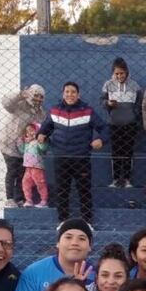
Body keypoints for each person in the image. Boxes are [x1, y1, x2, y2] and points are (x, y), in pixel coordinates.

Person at [38, 81, 108, 223]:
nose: (70, 94)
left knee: (84, 191)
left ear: (78, 94)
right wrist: (40, 134)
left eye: (73, 92)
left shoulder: (87, 111)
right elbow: (45, 128)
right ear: (63, 94)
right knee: (62, 192)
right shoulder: (54, 111)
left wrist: (101, 140)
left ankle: (87, 223)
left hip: (81, 158)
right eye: (67, 92)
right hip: (60, 158)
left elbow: (105, 129)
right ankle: (62, 222)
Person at [6, 218, 93, 291]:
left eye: (82, 239)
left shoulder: (99, 276)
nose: (74, 243)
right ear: (58, 243)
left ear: (90, 247)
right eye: (68, 237)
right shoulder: (34, 271)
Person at [0, 84, 45, 207]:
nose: (38, 99)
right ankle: (9, 198)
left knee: (22, 172)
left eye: (41, 97)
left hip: (26, 148)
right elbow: (6, 103)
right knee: (12, 170)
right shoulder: (19, 105)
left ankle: (19, 198)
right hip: (9, 143)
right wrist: (19, 95)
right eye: (36, 95)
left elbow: (39, 128)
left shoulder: (40, 113)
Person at [100, 57, 143, 187]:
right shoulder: (108, 85)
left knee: (128, 152)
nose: (119, 76)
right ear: (113, 73)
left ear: (127, 72)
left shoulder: (135, 86)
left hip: (130, 125)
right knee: (116, 152)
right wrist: (107, 103)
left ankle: (127, 179)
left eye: (122, 73)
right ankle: (116, 179)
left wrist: (134, 115)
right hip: (114, 124)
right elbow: (101, 102)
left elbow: (140, 103)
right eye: (116, 73)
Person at [20, 122, 49, 207]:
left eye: (31, 130)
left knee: (40, 183)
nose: (29, 133)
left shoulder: (37, 142)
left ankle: (44, 200)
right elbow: (22, 151)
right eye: (27, 131)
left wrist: (40, 141)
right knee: (25, 182)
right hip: (28, 167)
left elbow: (43, 148)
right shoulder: (27, 143)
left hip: (37, 167)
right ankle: (28, 200)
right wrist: (23, 142)